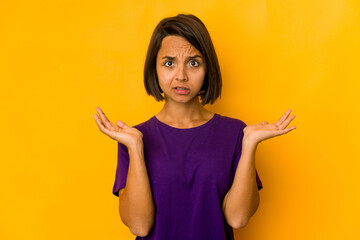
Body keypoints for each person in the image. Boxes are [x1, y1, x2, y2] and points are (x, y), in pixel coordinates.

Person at [93, 13, 296, 240]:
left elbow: (237, 218)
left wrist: (249, 145)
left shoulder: (236, 134)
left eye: (193, 63)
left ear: (208, 69)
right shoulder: (134, 138)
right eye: (169, 63)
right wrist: (136, 148)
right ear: (155, 68)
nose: (181, 76)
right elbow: (140, 226)